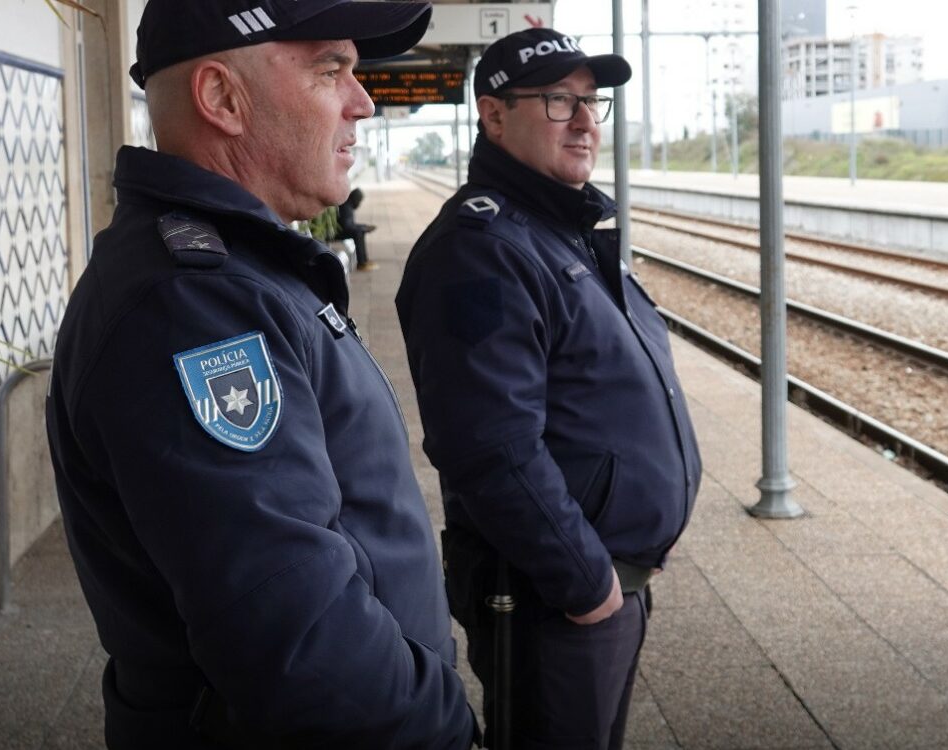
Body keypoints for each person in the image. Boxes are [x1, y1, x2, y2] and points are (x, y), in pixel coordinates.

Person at [43, 1, 475, 747]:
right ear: (221, 100)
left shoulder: (236, 273)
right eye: (330, 69)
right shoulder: (194, 307)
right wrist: (443, 727)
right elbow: (303, 647)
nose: (362, 101)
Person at [396, 28, 703, 750]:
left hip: (602, 583)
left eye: (592, 102)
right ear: (493, 114)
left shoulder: (556, 230)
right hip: (551, 598)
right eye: (559, 101)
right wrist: (588, 584)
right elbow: (490, 449)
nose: (587, 121)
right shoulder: (481, 249)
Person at [336, 187, 378, 271]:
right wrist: (363, 228)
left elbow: (350, 225)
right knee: (358, 232)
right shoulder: (346, 207)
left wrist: (364, 227)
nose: (359, 203)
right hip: (337, 233)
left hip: (343, 229)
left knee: (360, 231)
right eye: (359, 201)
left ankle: (364, 260)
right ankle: (361, 263)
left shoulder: (349, 205)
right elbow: (347, 227)